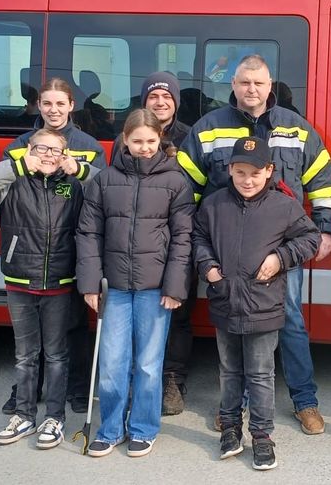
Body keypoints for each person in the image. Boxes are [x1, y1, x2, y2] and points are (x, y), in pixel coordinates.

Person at [178, 54, 331, 435]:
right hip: (228, 248)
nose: (252, 90)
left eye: (259, 83)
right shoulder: (207, 129)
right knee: (235, 324)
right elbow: (185, 191)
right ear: (233, 85)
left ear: (270, 86)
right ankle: (236, 405)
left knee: (292, 321)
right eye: (244, 83)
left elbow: (322, 181)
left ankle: (305, 401)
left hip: (284, 248)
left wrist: (326, 229)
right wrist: (195, 247)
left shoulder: (297, 129)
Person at [193, 136, 321, 470]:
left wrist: (281, 258)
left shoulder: (285, 206)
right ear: (230, 170)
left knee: (262, 374)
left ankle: (262, 437)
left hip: (264, 306)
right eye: (240, 172)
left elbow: (310, 239)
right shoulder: (214, 204)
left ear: (269, 171)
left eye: (255, 173)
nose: (247, 180)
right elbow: (198, 238)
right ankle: (231, 428)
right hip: (225, 301)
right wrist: (207, 267)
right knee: (230, 370)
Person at [76, 109, 195, 458]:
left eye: (151, 141)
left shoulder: (176, 182)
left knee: (147, 363)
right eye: (137, 141)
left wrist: (175, 286)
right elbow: (88, 233)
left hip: (155, 288)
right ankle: (110, 428)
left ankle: (143, 427)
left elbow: (183, 238)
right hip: (113, 286)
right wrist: (89, 283)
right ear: (124, 141)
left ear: (161, 141)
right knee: (112, 363)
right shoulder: (104, 180)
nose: (144, 147)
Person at [0, 128, 83, 449]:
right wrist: (17, 166)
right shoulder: (11, 183)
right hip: (19, 281)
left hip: (59, 283)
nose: (47, 155)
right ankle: (25, 416)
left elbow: (105, 188)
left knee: (57, 355)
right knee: (25, 355)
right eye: (40, 149)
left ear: (65, 155)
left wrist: (80, 170)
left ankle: (54, 418)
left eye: (55, 151)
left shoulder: (70, 187)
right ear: (28, 151)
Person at [1, 77, 107, 416]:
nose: (54, 110)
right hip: (31, 250)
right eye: (47, 103)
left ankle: (76, 388)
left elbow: (103, 191)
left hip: (74, 248)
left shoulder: (89, 145)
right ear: (38, 106)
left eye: (60, 103)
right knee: (31, 337)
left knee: (74, 326)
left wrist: (80, 170)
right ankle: (26, 391)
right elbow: (3, 190)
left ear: (71, 106)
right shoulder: (20, 144)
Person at [111, 73, 196, 417]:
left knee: (178, 314)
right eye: (154, 96)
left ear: (176, 101)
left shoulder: (192, 137)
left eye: (167, 97)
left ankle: (172, 379)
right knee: (136, 319)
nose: (160, 102)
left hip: (175, 238)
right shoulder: (126, 140)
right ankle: (137, 381)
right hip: (136, 248)